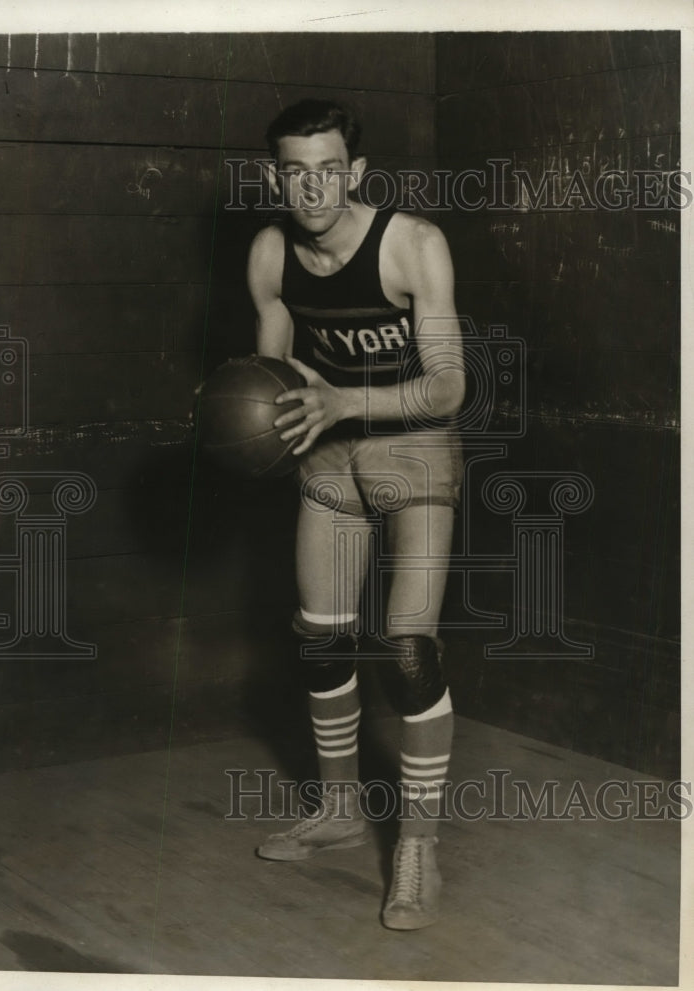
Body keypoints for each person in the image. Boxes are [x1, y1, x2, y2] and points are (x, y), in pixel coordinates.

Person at [246, 98, 465, 931]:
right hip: (331, 454)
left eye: (328, 170)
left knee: (407, 651)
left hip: (412, 446)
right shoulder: (270, 253)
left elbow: (449, 386)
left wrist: (342, 400)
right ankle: (339, 810)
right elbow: (270, 381)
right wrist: (263, 413)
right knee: (321, 638)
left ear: (356, 173)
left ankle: (417, 847)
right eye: (295, 172)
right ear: (275, 177)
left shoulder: (412, 243)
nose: (312, 189)